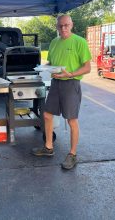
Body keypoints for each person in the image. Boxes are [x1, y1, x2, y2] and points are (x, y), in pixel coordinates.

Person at [32, 15, 91, 170]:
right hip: (56, 83)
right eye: (60, 26)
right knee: (46, 114)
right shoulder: (54, 42)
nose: (63, 28)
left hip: (71, 83)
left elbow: (87, 67)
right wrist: (44, 67)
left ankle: (72, 155)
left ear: (71, 24)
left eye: (66, 25)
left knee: (71, 120)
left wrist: (70, 74)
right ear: (57, 27)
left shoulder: (80, 42)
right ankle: (48, 147)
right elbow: (52, 62)